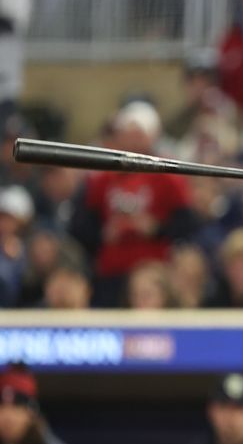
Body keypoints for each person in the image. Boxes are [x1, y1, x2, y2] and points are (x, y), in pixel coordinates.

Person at [69, 102, 197, 307]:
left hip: (154, 271)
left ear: (152, 136)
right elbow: (81, 225)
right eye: (128, 134)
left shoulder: (167, 175)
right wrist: (104, 232)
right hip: (112, 271)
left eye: (139, 134)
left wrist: (155, 228)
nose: (133, 140)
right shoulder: (102, 178)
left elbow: (187, 224)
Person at [0, 363, 67, 444]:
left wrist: (43, 432)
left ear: (31, 413)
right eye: (2, 407)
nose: (8, 416)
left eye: (17, 407)